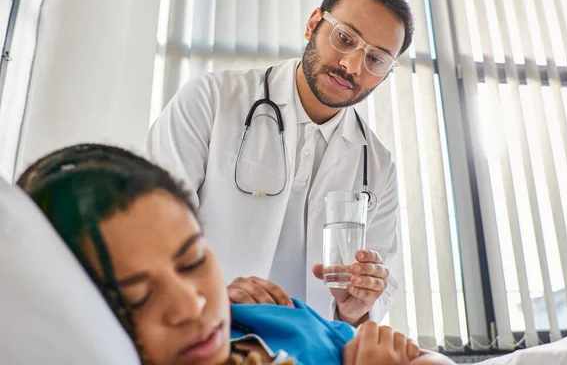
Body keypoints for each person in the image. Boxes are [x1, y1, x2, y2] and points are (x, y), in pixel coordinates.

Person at [17, 144, 454, 365]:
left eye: (191, 262)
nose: (193, 305)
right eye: (136, 296)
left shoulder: (275, 313)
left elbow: (425, 359)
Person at [145, 0, 414, 325]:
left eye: (376, 60)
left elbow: (372, 300)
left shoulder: (377, 166)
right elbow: (152, 227)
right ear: (313, 24)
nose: (352, 66)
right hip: (200, 330)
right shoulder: (212, 100)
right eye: (345, 38)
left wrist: (355, 306)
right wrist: (214, 294)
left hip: (304, 351)